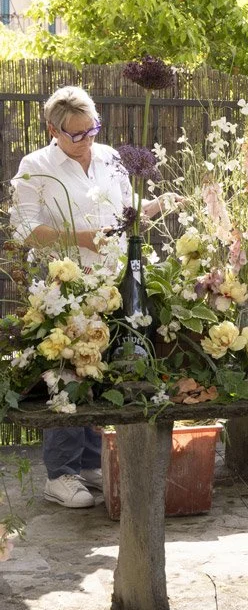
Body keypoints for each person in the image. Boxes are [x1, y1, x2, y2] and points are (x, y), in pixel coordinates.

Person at [9, 85, 154, 509]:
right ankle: (61, 473)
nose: (87, 139)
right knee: (67, 370)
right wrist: (81, 238)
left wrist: (154, 208)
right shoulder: (35, 166)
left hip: (112, 280)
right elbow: (24, 230)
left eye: (92, 129)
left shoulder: (111, 157)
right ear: (52, 130)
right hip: (63, 284)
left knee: (101, 366)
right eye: (76, 134)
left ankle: (89, 461)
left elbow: (128, 211)